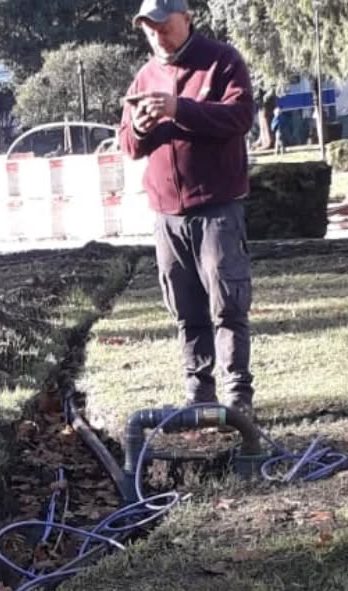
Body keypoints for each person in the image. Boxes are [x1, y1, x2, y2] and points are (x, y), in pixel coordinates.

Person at [119, 0, 255, 412]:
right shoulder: (144, 76)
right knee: (185, 308)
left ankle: (236, 394)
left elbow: (239, 117)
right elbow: (127, 144)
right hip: (166, 215)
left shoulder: (222, 62)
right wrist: (140, 128)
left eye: (163, 24)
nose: (156, 34)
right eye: (148, 27)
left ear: (188, 18)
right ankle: (198, 392)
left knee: (227, 303)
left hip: (216, 208)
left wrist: (180, 108)